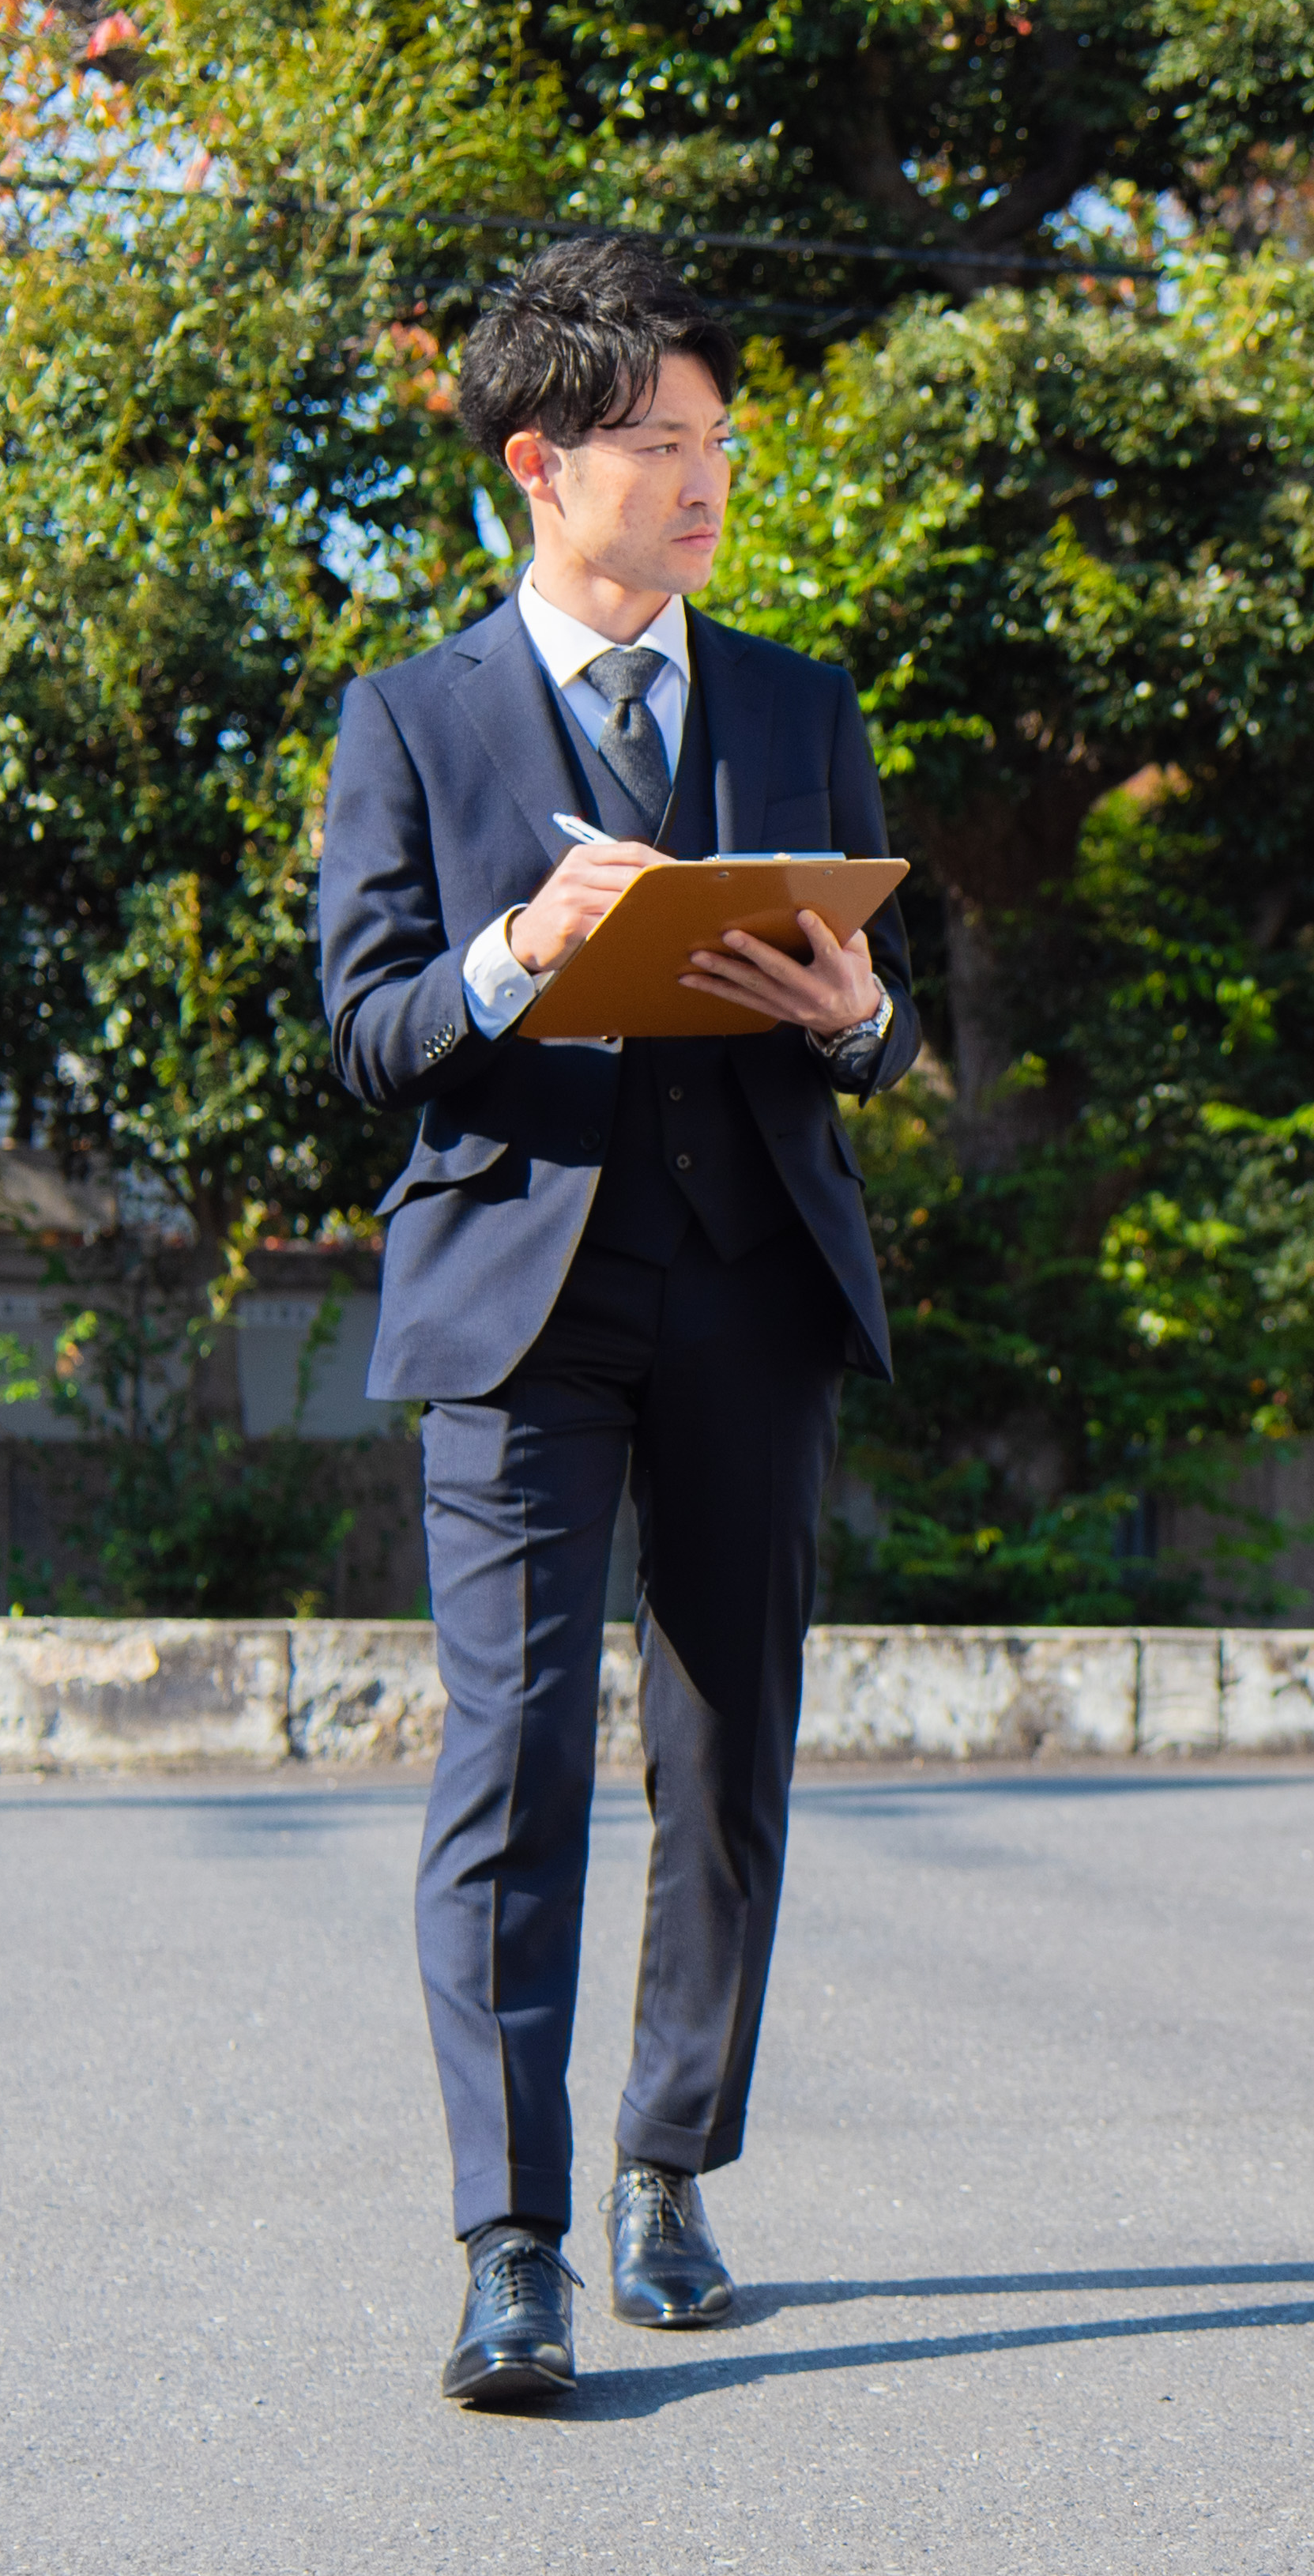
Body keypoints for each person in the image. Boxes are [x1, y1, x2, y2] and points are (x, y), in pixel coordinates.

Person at [314, 236, 922, 2407]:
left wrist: (863, 1022)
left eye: (719, 444)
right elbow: (370, 1032)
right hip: (514, 1300)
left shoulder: (797, 706)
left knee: (726, 1751)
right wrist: (507, 956)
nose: (703, 481)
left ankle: (671, 2165)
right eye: (662, 445)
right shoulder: (409, 721)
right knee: (512, 1759)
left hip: (751, 1280)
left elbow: (868, 1019)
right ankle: (509, 2244)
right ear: (541, 464)